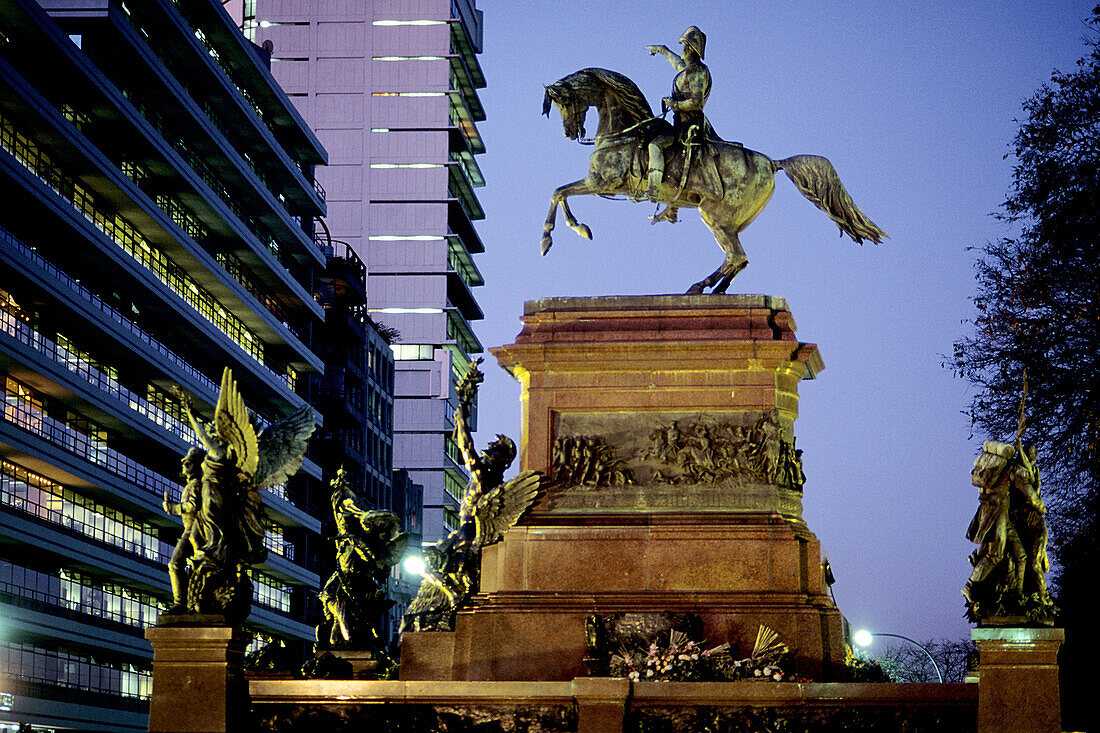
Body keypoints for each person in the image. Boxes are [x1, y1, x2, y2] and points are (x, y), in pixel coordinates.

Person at [645, 26, 714, 222]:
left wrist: (675, 104)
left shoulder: (699, 71)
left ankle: (653, 189)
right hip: (680, 122)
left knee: (655, 145)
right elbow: (678, 64)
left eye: (684, 45)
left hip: (689, 125)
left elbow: (697, 102)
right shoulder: (690, 69)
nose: (682, 49)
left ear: (691, 48)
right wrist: (662, 50)